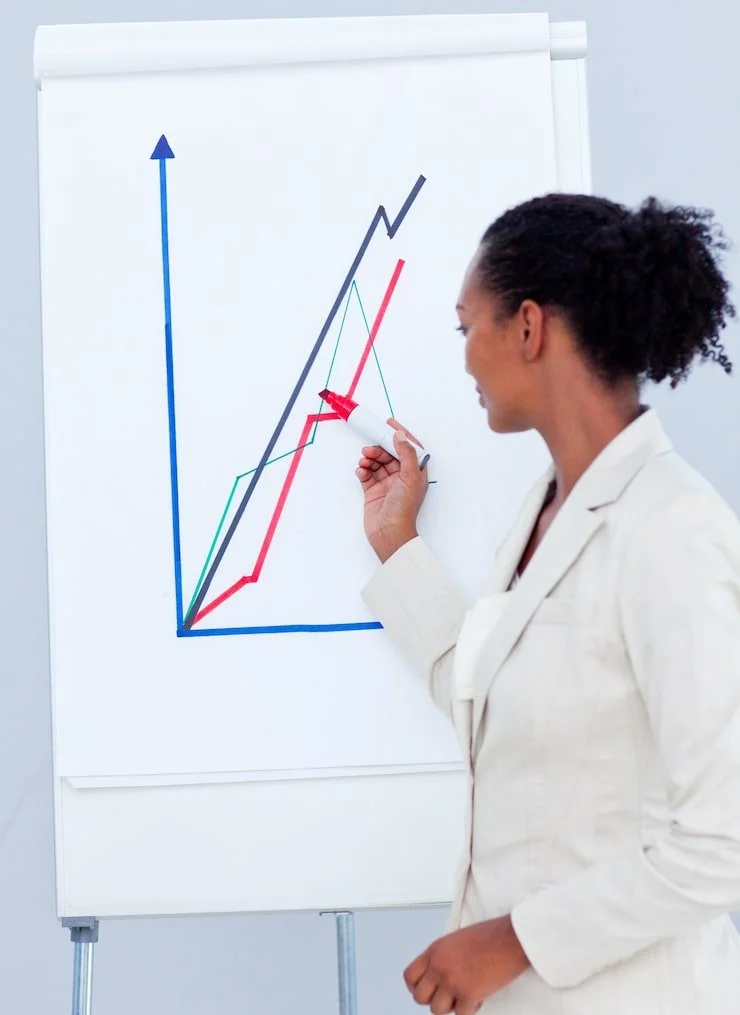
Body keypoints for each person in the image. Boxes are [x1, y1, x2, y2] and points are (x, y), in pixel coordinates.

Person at [357, 193, 740, 1014]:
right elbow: (490, 698)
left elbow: (723, 839)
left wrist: (509, 942)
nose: (462, 359)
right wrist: (398, 548)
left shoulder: (673, 530)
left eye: (468, 328)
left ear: (528, 327)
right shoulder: (546, 510)